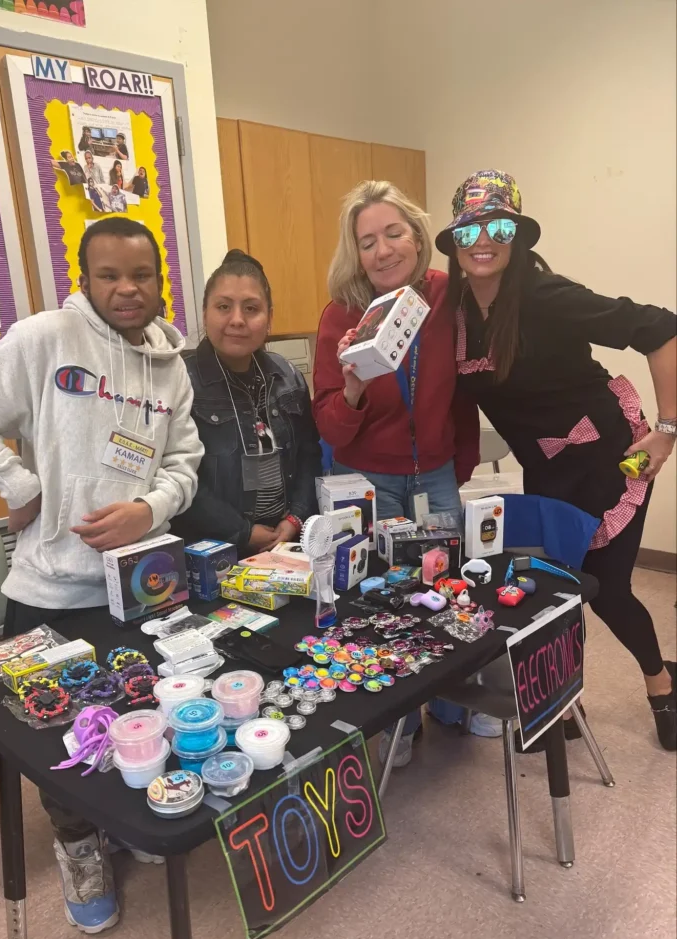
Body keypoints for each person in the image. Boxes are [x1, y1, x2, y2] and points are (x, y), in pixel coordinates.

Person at [0, 219, 204, 933]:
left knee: (145, 719)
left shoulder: (171, 365)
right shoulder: (45, 339)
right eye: (108, 274)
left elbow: (183, 464)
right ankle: (79, 848)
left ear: (159, 279)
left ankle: (137, 816)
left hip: (139, 588)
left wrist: (150, 508)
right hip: (49, 591)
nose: (126, 289)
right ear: (83, 278)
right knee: (63, 747)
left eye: (140, 274)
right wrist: (18, 484)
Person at [438, 169, 677, 752]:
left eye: (498, 225)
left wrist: (669, 431)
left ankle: (661, 686)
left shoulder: (546, 296)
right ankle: (561, 702)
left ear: (517, 234)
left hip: (607, 456)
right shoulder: (455, 314)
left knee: (610, 586)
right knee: (552, 587)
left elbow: (662, 328)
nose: (483, 239)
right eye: (469, 229)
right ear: (455, 242)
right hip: (545, 469)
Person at [313, 180, 480, 525]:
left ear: (418, 238)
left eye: (394, 234)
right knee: (373, 578)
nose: (384, 251)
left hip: (436, 475)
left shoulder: (448, 295)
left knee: (445, 575)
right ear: (357, 257)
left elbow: (464, 392)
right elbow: (331, 431)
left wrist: (463, 463)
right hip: (366, 479)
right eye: (368, 243)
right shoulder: (341, 315)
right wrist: (353, 391)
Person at [172, 249, 321, 554]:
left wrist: (295, 518)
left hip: (285, 544)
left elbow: (309, 455)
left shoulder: (288, 376)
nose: (237, 320)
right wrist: (242, 531)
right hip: (211, 550)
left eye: (251, 308)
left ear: (269, 318)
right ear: (205, 313)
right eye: (224, 306)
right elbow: (178, 477)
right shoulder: (179, 381)